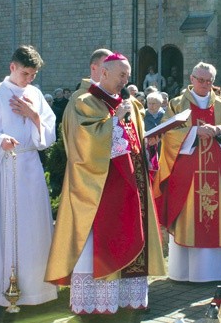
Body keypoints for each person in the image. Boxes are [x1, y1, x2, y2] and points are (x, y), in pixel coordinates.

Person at [45, 53, 165, 314]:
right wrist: (114, 122)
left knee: (128, 233)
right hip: (98, 188)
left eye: (128, 76)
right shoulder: (85, 101)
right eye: (121, 75)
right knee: (100, 242)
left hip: (130, 186)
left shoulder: (128, 104)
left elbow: (133, 141)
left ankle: (123, 298)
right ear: (103, 72)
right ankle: (96, 302)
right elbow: (83, 144)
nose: (126, 80)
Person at [0, 45, 58, 311]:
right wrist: (0, 140)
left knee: (34, 226)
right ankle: (2, 291)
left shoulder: (34, 94)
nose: (29, 79)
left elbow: (49, 133)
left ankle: (37, 291)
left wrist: (32, 114)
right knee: (5, 225)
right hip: (5, 165)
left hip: (30, 166)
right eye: (25, 73)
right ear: (12, 67)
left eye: (33, 74)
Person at [154, 62, 221, 282]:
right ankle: (184, 273)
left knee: (219, 219)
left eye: (209, 81)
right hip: (187, 174)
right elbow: (167, 133)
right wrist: (194, 132)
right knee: (189, 218)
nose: (205, 85)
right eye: (201, 80)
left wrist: (218, 130)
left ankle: (218, 272)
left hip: (217, 173)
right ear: (191, 78)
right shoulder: (177, 104)